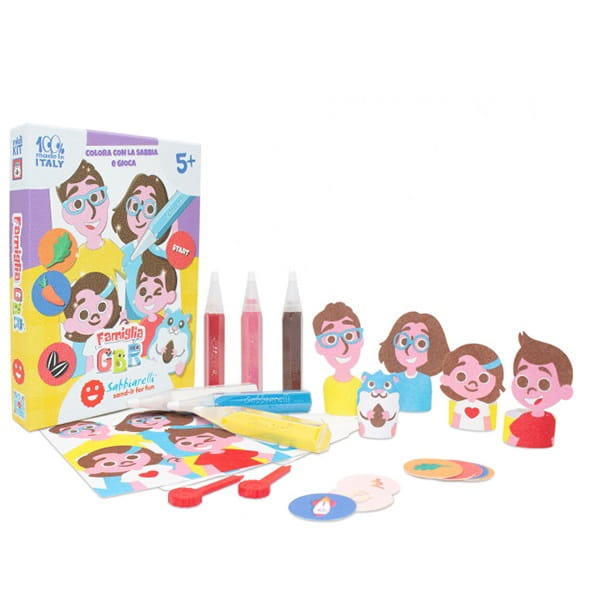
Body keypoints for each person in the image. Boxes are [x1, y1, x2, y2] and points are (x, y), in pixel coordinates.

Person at [111, 173, 171, 319]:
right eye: (135, 206)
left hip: (157, 321)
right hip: (128, 324)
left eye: (149, 209)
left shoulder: (164, 258)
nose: (139, 216)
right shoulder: (120, 255)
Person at [56, 159, 123, 282]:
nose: (91, 212)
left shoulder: (111, 249)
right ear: (66, 215)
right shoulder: (76, 258)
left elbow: (130, 276)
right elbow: (63, 286)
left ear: (106, 199)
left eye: (94, 197)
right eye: (77, 204)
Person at [505, 332, 573, 448]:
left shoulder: (550, 419)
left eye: (544, 384)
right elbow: (512, 439)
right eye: (522, 381)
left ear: (565, 391)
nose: (531, 391)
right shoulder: (523, 418)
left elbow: (550, 439)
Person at [378, 311, 449, 412]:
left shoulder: (425, 380)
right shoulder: (395, 378)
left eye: (421, 343)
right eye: (404, 341)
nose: (409, 350)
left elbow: (424, 404)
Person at [62, 272, 123, 376]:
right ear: (71, 323)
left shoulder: (111, 333)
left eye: (102, 307)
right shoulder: (80, 348)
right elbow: (78, 372)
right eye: (83, 314)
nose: (95, 316)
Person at [313, 302, 364, 415]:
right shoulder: (328, 384)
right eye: (331, 339)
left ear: (361, 340)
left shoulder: (359, 385)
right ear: (319, 347)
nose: (343, 348)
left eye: (349, 336)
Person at [440, 343, 504, 431]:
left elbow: (487, 421)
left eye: (483, 378)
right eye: (461, 376)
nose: (472, 384)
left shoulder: (483, 406)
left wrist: (488, 429)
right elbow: (456, 419)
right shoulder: (460, 404)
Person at [133, 251, 178, 355]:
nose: (148, 298)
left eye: (157, 292)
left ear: (170, 296)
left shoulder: (162, 323)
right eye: (143, 291)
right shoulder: (143, 323)